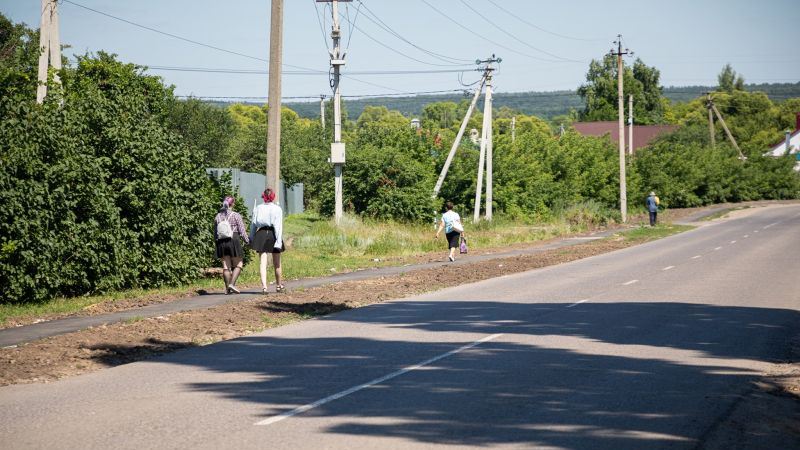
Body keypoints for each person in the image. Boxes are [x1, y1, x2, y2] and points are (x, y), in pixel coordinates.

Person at [250, 188, 285, 294]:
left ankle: (264, 287)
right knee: (277, 262)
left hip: (260, 234)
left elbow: (253, 225)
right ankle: (279, 285)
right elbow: (278, 226)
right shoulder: (277, 209)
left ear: (263, 197)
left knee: (262, 263)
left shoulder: (258, 208)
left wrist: (251, 238)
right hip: (273, 234)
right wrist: (278, 242)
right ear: (273, 196)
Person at [214, 196, 249, 294]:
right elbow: (242, 231)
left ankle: (227, 289)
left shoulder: (218, 216)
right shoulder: (236, 215)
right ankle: (232, 284)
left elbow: (215, 233)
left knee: (226, 266)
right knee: (239, 264)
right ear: (232, 204)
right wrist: (247, 241)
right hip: (234, 240)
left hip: (222, 242)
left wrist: (217, 244)